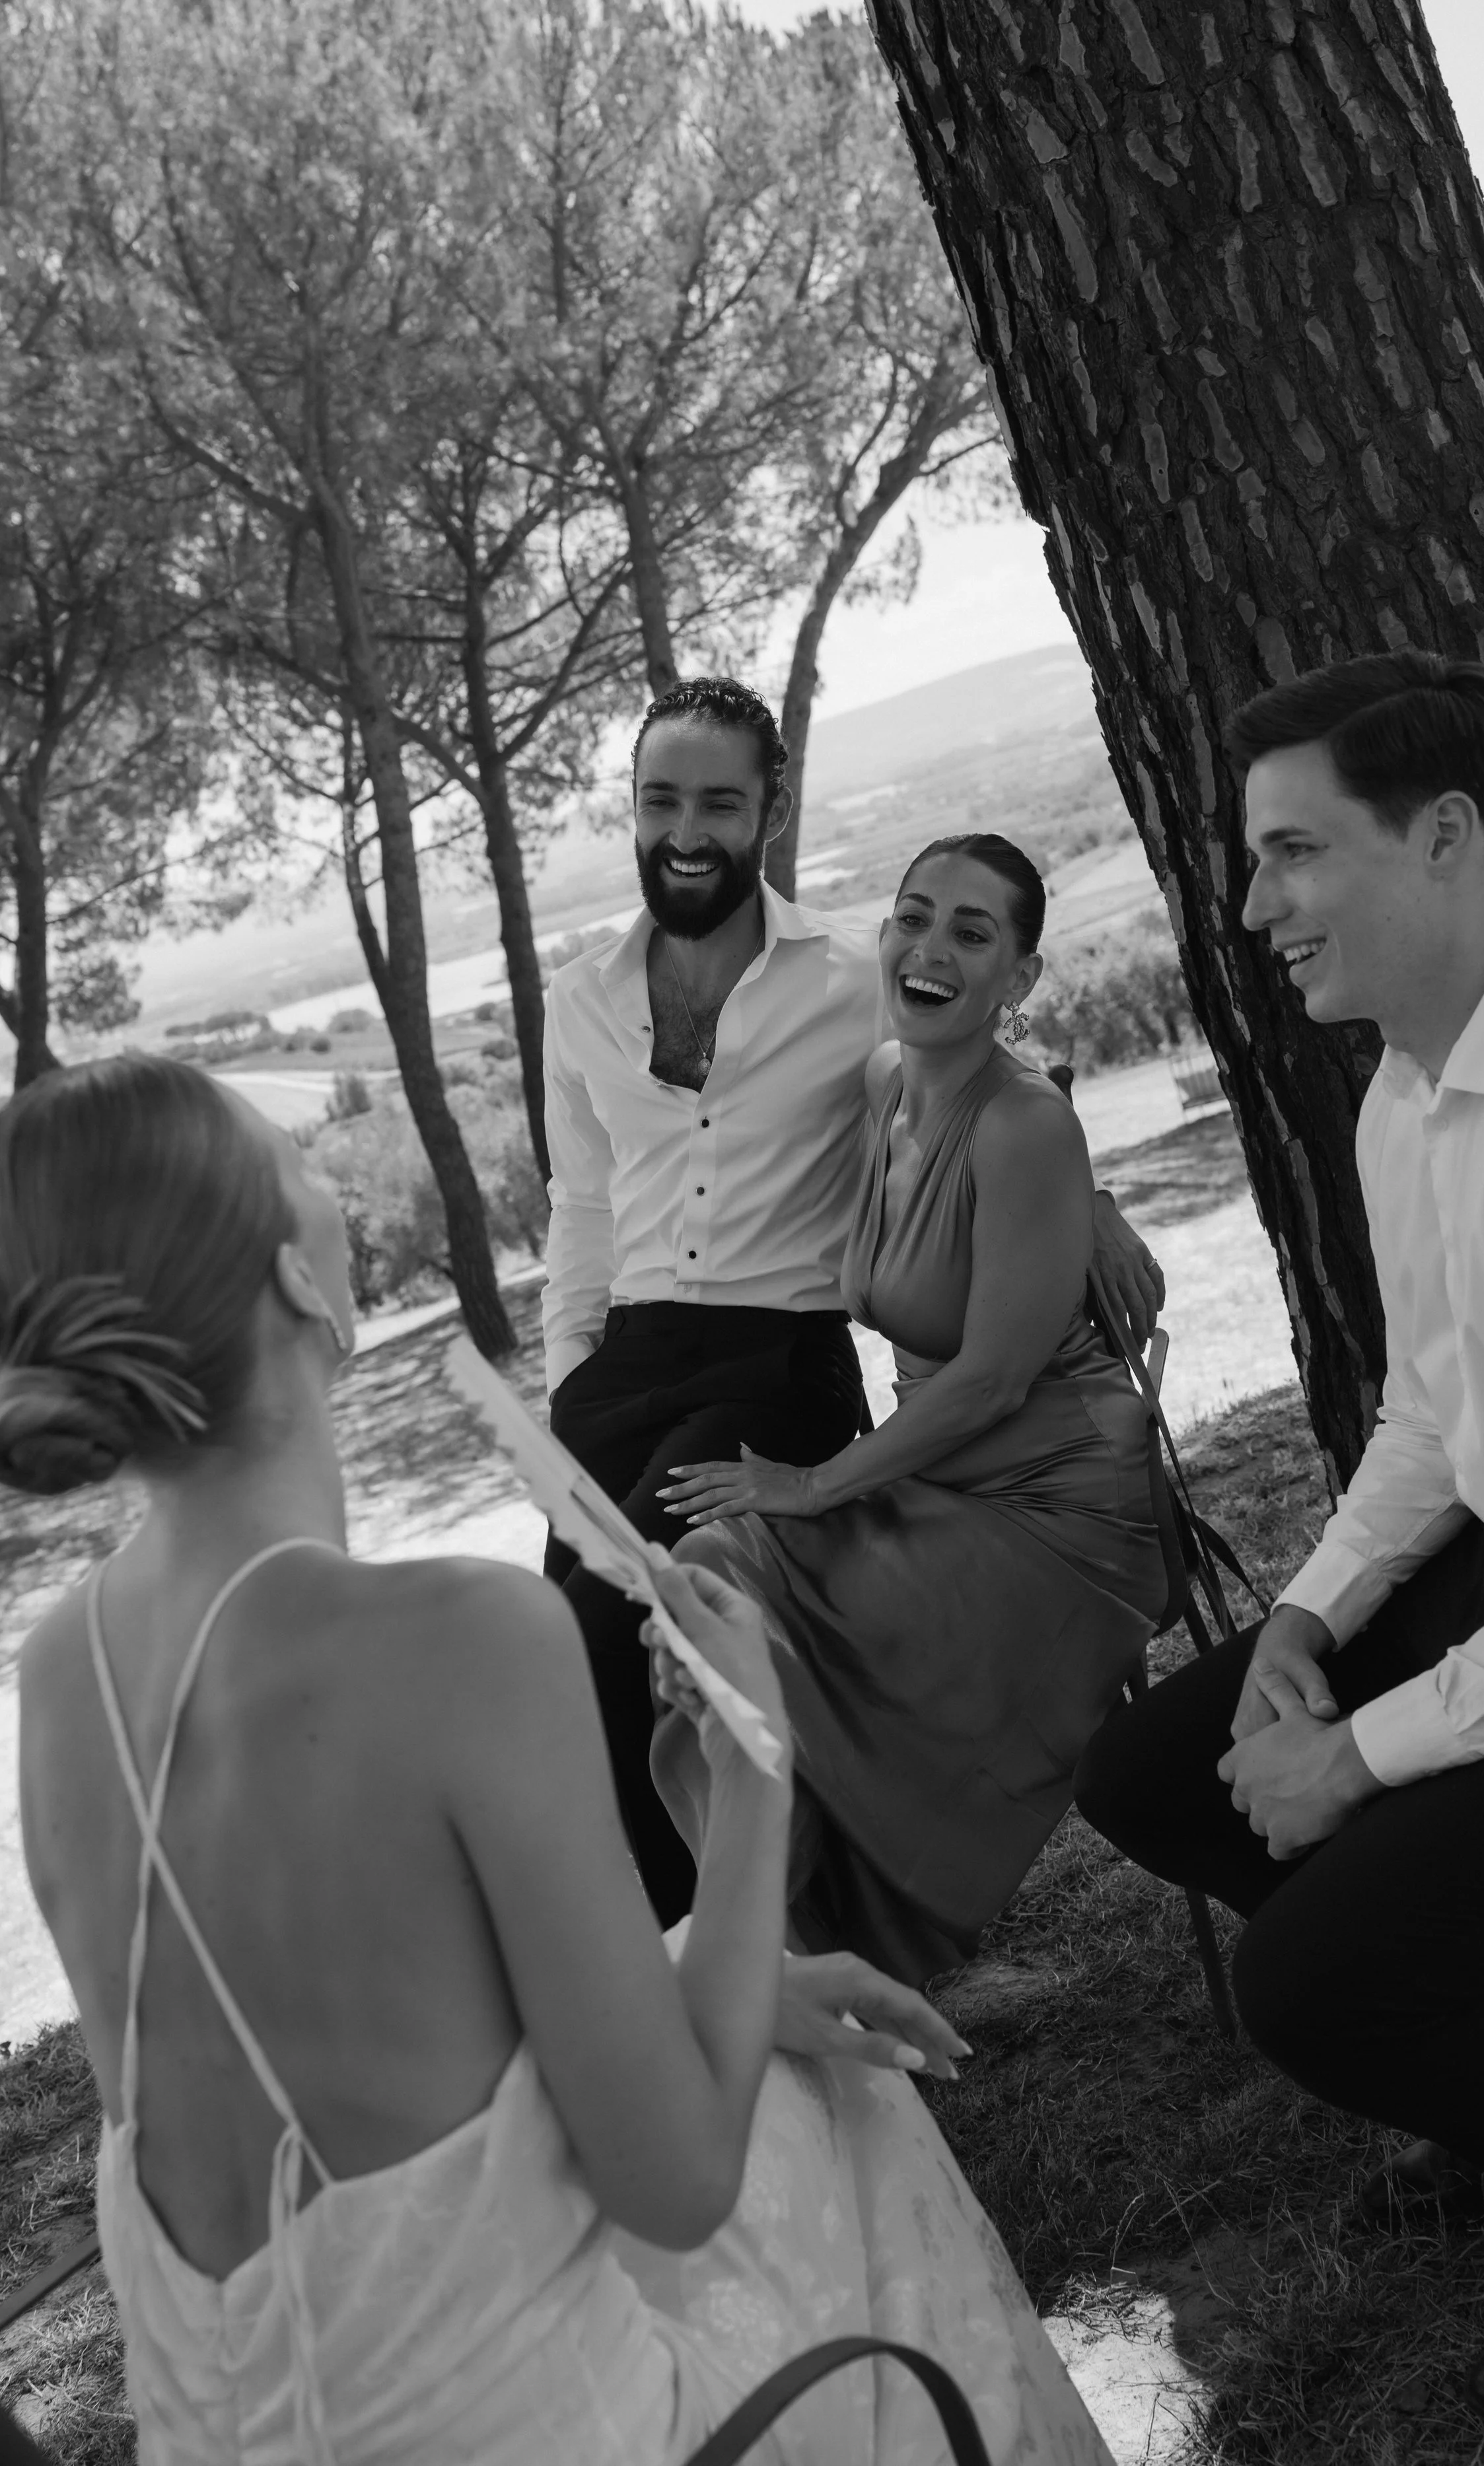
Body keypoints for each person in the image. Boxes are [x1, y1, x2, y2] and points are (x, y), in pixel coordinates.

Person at [9, 1054, 1112, 2466]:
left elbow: (310, 2080)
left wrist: (698, 1976)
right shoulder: (461, 1637)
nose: (338, 1185)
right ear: (297, 1278)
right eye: (299, 1162)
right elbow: (676, 2183)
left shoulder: (58, 1680)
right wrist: (754, 1777)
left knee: (789, 2045)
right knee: (853, 2111)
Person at [1075, 652, 1484, 2425]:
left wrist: (1358, 1759)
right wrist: (1306, 1634)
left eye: (1290, 852)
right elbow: (1425, 1409)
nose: (1252, 907)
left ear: (1444, 836)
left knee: (1307, 1983)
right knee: (1157, 1772)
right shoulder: (1407, 1081)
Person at [542, 678, 1160, 1924]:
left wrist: (1046, 1116)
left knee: (651, 1626)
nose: (687, 828)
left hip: (776, 1366)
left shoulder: (847, 985)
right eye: (662, 798)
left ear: (769, 815)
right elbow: (586, 1213)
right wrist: (567, 1391)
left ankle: (723, 1965)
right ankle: (643, 1958)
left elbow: (968, 1081)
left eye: (721, 801)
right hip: (622, 1362)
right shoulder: (580, 999)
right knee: (563, 1656)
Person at [656, 835, 1169, 1985]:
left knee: (753, 1598)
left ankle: (810, 1957)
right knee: (707, 1582)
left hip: (1058, 1508)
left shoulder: (1022, 1123)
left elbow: (990, 1378)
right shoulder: (886, 1081)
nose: (930, 949)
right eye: (912, 917)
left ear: (1020, 979)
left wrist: (809, 1485)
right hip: (944, 1478)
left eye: (971, 933)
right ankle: (790, 1949)